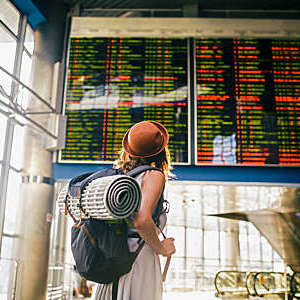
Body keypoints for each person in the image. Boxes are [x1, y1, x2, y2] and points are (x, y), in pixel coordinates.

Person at [95, 120, 176, 300]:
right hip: (138, 262)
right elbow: (142, 220)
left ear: (129, 150)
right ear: (162, 151)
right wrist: (161, 248)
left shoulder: (118, 178)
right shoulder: (153, 175)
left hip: (114, 259)